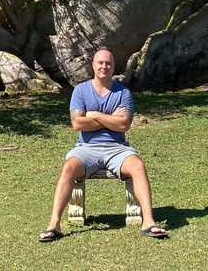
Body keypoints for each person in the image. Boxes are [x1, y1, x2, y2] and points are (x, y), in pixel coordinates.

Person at [38, 48, 168, 242]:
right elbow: (77, 124)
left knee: (138, 166)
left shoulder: (123, 92)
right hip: (87, 148)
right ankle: (54, 225)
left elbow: (124, 125)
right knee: (68, 168)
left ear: (114, 67)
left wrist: (94, 115)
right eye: (100, 63)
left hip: (117, 148)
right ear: (93, 66)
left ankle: (148, 222)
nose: (104, 66)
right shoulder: (81, 90)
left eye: (108, 63)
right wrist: (111, 118)